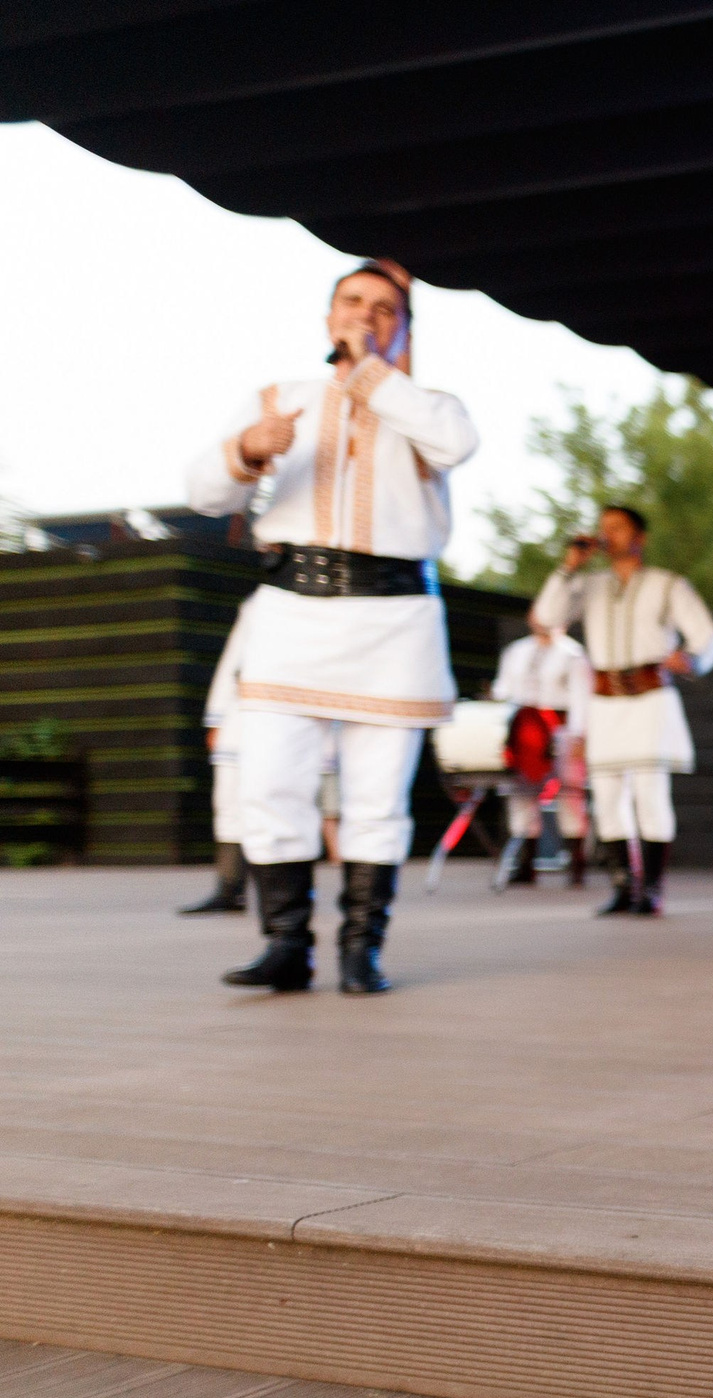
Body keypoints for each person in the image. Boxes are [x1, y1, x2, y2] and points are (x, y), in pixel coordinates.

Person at [184, 258, 477, 995]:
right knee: (270, 785)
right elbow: (201, 491)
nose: (365, 316)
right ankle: (285, 942)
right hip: (292, 613)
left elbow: (456, 444)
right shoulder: (280, 399)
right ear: (327, 316)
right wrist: (250, 449)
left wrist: (373, 376)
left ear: (401, 328)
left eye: (384, 309)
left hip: (395, 621)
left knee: (377, 798)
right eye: (352, 302)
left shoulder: (427, 404)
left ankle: (360, 948)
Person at [530, 508, 713, 918]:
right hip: (604, 702)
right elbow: (547, 617)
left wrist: (690, 660)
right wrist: (569, 565)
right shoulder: (589, 585)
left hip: (650, 697)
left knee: (650, 795)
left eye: (617, 528)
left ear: (640, 536)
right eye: (604, 528)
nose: (607, 535)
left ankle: (651, 888)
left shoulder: (667, 585)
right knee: (608, 797)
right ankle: (622, 886)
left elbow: (709, 638)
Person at [490, 616, 592, 888]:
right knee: (522, 794)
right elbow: (504, 689)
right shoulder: (516, 651)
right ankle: (526, 863)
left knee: (570, 794)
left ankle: (576, 863)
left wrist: (581, 735)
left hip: (561, 730)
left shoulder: (573, 654)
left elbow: (582, 698)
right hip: (524, 732)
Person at [180, 608, 253, 915]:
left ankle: (283, 896)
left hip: (282, 716)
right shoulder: (257, 606)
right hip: (238, 721)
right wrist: (217, 718)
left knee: (277, 806)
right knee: (228, 804)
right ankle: (229, 887)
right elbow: (230, 664)